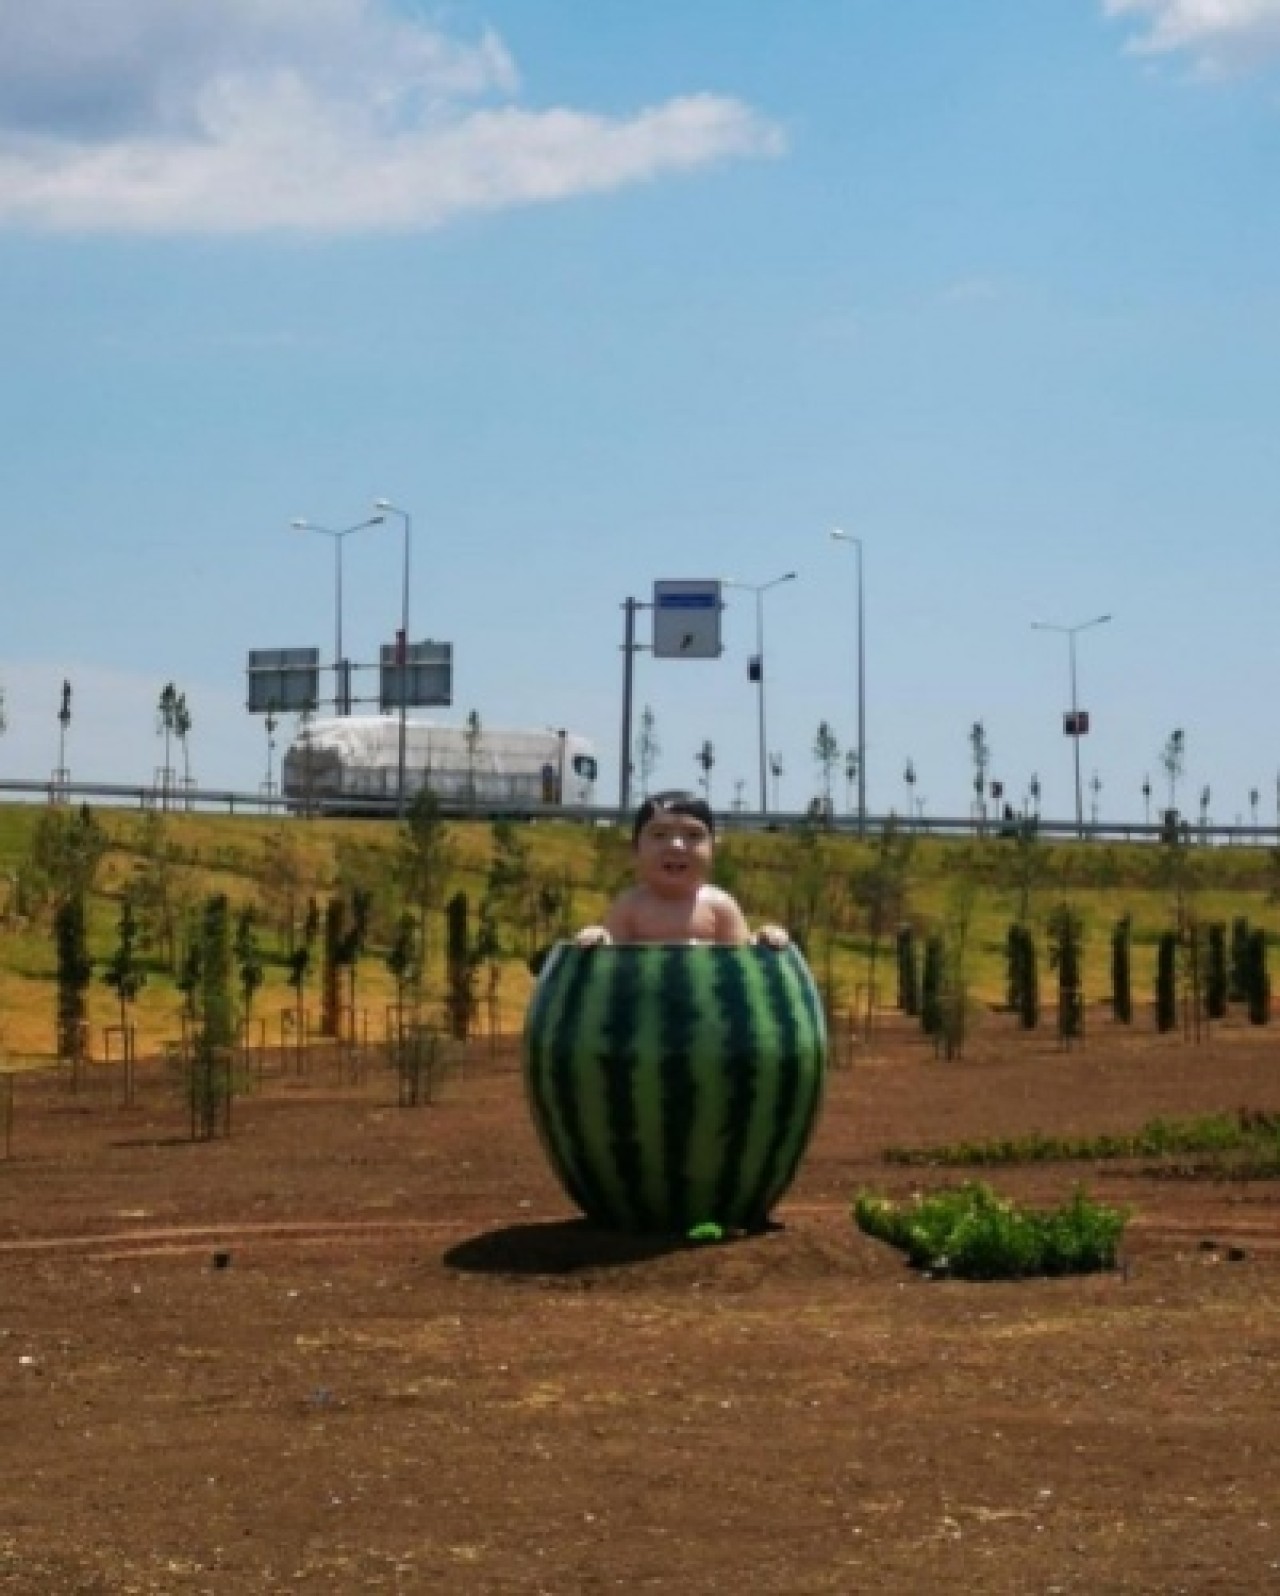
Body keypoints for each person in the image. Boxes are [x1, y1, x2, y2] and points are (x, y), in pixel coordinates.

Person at [575, 790, 789, 948]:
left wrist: (761, 940)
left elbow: (743, 955)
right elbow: (609, 955)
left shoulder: (720, 905)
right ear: (635, 849)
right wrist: (600, 938)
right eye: (659, 835)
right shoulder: (631, 905)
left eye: (693, 835)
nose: (676, 845)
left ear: (713, 849)